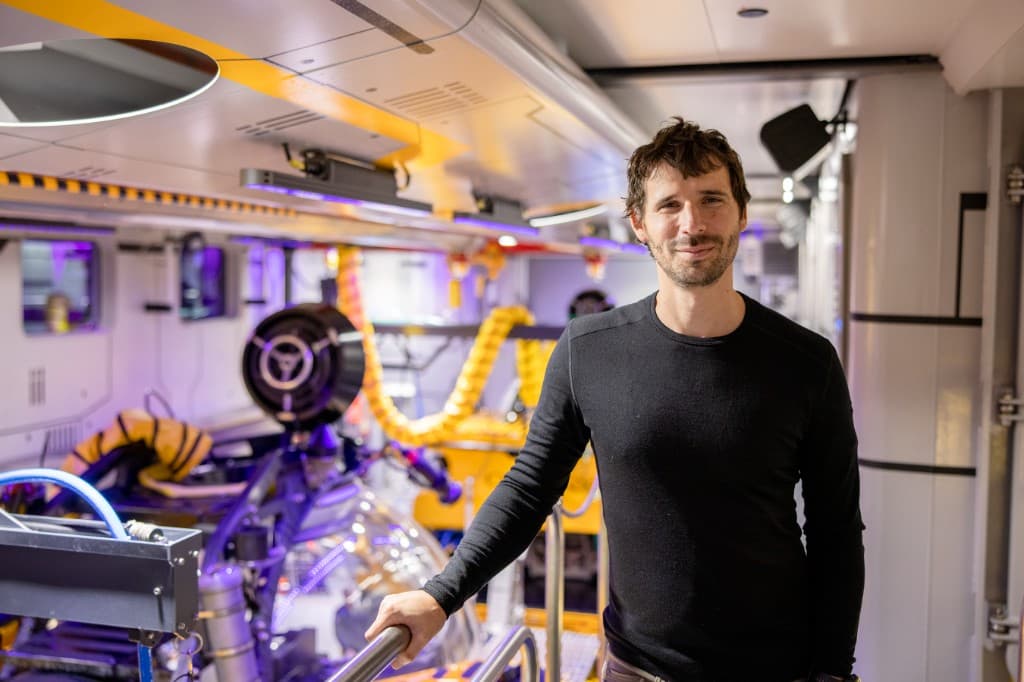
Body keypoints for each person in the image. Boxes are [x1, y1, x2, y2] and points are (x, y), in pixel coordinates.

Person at [365, 118, 865, 682]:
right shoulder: (589, 350)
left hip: (774, 667)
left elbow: (836, 531)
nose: (692, 223)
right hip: (636, 668)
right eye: (669, 205)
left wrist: (833, 671)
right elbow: (529, 487)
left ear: (742, 213)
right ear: (640, 225)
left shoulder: (805, 362)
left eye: (711, 200)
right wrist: (441, 595)